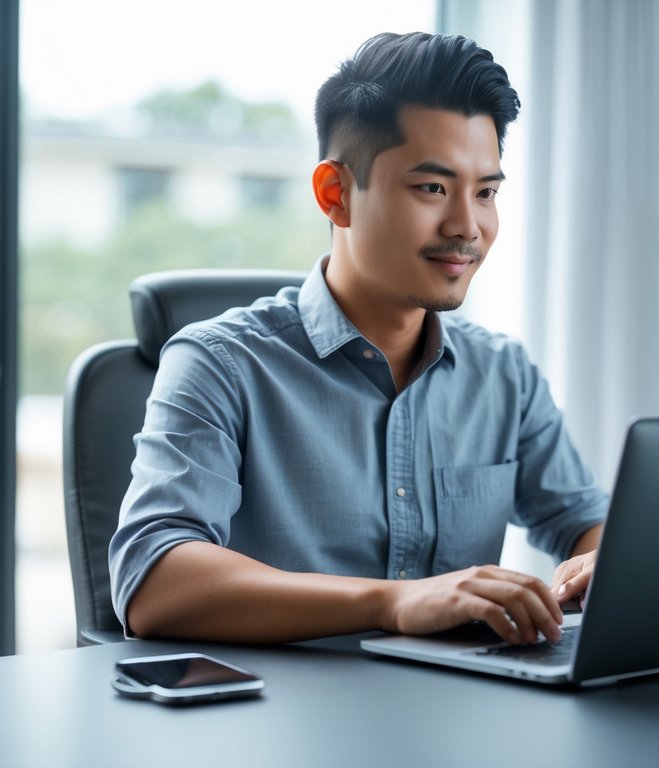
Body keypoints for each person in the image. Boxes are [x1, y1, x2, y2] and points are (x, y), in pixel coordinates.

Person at [109, 31, 608, 646]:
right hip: (278, 702)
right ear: (336, 194)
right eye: (433, 188)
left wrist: (599, 560)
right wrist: (393, 602)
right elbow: (152, 579)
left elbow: (586, 522)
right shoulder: (219, 363)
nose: (467, 226)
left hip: (461, 700)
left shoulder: (503, 374)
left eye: (485, 193)